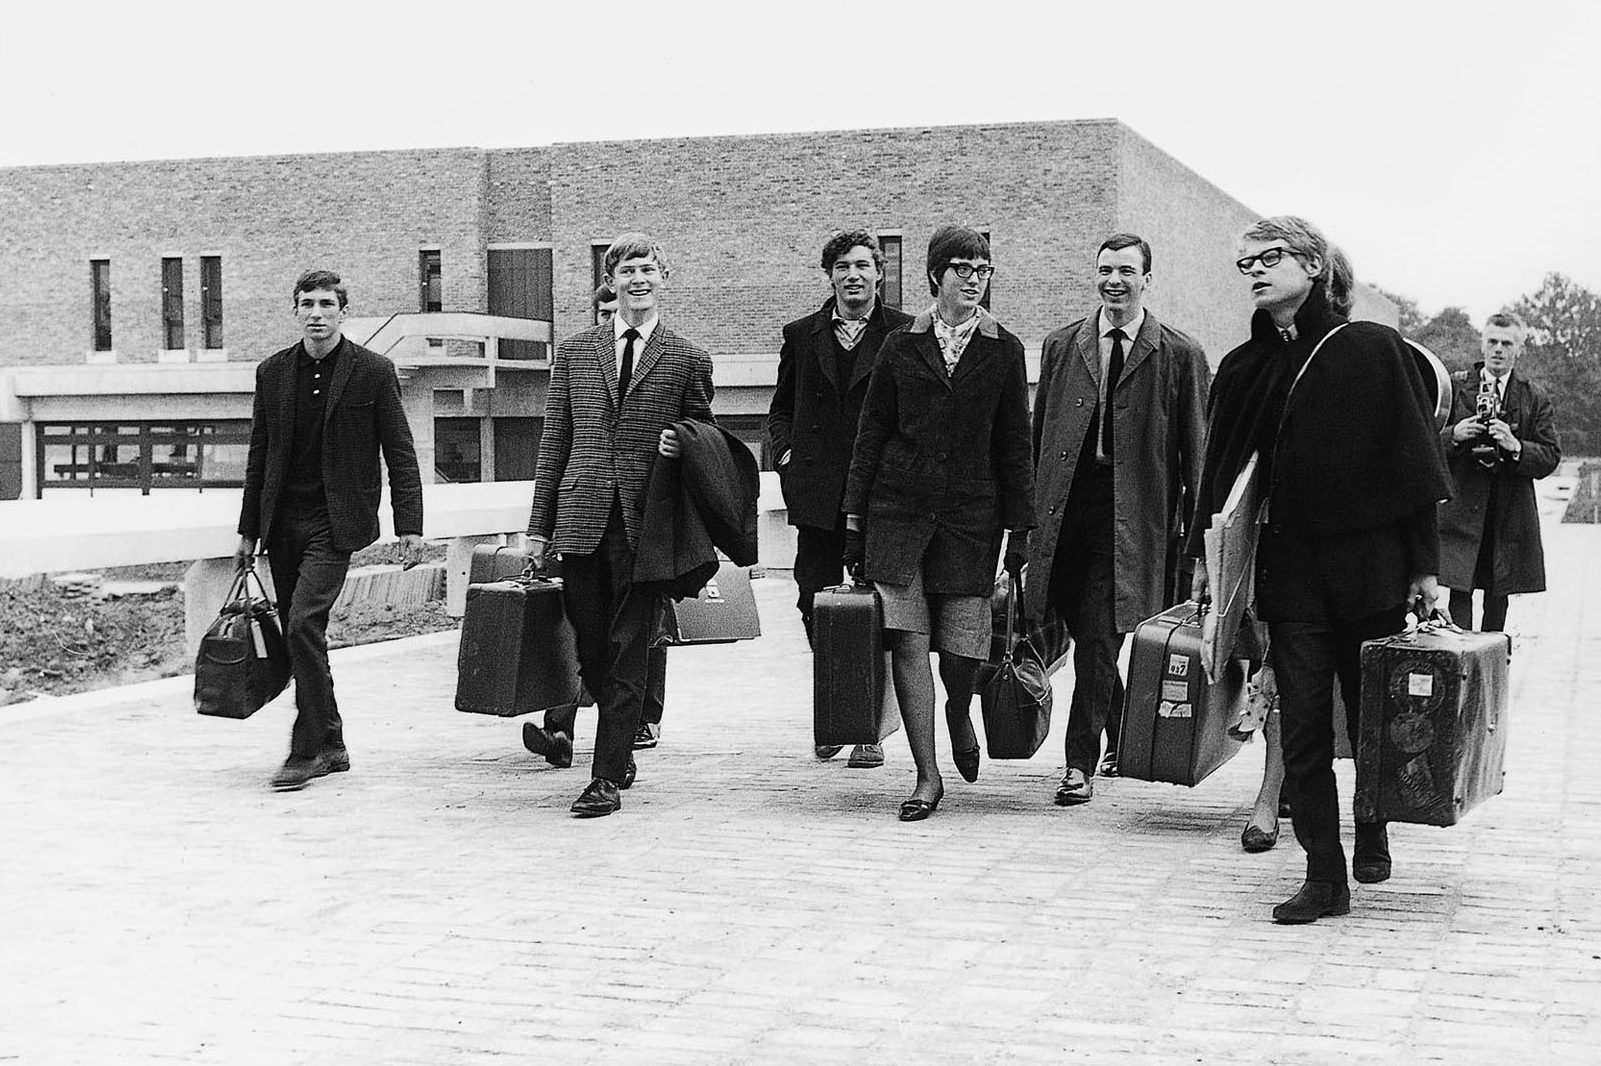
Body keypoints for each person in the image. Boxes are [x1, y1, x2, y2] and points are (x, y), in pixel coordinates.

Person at [1188, 216, 1450, 924]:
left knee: (1371, 721)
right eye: (1245, 262)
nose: (1255, 271)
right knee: (1301, 728)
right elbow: (1219, 479)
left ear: (1311, 265)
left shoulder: (1369, 347)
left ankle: (1371, 826)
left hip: (1369, 568)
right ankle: (1322, 875)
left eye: (1269, 257)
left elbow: (1413, 462)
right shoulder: (1242, 367)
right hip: (1290, 572)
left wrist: (1424, 569)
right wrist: (1205, 564)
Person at [842, 225, 1034, 820]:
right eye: (961, 269)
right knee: (909, 642)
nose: (973, 279)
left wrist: (1020, 530)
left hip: (971, 522)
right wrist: (853, 519)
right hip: (897, 517)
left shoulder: (1005, 349)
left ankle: (958, 707)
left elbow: (1014, 444)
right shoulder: (900, 345)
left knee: (960, 652)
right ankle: (927, 776)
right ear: (935, 277)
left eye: (983, 269)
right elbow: (871, 433)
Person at [523, 233, 715, 817]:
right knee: (591, 646)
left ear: (664, 277)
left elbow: (705, 442)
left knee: (630, 643)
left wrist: (680, 442)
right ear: (612, 280)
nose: (638, 280)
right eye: (627, 270)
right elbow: (555, 440)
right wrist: (539, 527)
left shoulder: (687, 358)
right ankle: (619, 740)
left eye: (648, 270)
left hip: (646, 526)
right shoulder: (578, 353)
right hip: (582, 519)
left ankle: (604, 777)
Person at [1028, 233, 1209, 806]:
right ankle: (1126, 736)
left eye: (1126, 271)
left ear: (1146, 281)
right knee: (1088, 634)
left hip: (1133, 518)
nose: (1114, 281)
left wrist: (1202, 541)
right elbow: (1037, 442)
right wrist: (1024, 527)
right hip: (1067, 515)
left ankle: (1078, 763)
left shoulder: (1179, 354)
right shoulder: (1062, 346)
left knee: (1099, 640)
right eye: (1105, 270)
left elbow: (1197, 455)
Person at [236, 269, 425, 791]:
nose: (316, 313)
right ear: (294, 311)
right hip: (282, 524)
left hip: (336, 524)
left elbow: (400, 452)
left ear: (343, 311)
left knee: (300, 625)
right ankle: (333, 741)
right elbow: (259, 453)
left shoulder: (372, 371)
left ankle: (305, 749)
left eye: (326, 304)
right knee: (306, 633)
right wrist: (248, 531)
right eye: (306, 304)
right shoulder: (272, 372)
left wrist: (410, 527)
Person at [768, 229, 913, 770]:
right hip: (819, 496)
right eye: (842, 267)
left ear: (879, 272)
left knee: (880, 611)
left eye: (863, 265)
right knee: (814, 601)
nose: (853, 275)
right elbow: (780, 410)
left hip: (882, 497)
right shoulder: (801, 335)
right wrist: (785, 457)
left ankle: (870, 727)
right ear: (829, 275)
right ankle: (838, 709)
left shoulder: (904, 333)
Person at [1438, 312, 1562, 631]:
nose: (1498, 350)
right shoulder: (1455, 387)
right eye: (1492, 341)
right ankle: (1460, 665)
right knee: (1459, 592)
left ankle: (1492, 669)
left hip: (1506, 513)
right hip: (1464, 510)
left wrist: (1515, 445)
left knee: (1498, 594)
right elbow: (1424, 443)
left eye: (1507, 344)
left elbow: (1550, 456)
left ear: (1519, 349)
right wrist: (1454, 434)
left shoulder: (1533, 396)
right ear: (1482, 344)